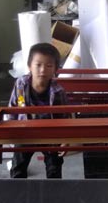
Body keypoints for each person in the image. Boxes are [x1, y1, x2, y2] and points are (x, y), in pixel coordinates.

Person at [8, 42, 67, 179]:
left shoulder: (58, 91)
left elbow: (65, 117)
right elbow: (13, 108)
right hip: (25, 132)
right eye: (38, 65)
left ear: (55, 69)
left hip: (50, 134)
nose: (43, 70)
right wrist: (10, 133)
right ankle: (17, 190)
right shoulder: (21, 85)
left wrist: (65, 139)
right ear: (29, 66)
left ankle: (53, 191)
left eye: (49, 66)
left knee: (54, 167)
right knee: (17, 168)